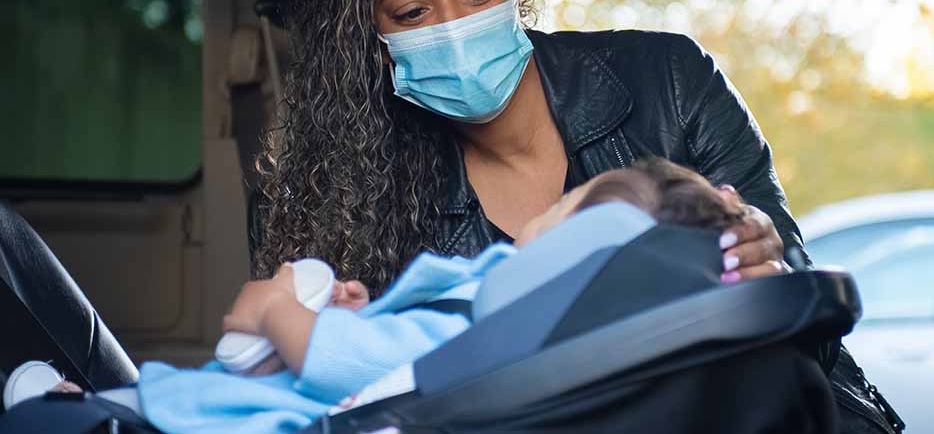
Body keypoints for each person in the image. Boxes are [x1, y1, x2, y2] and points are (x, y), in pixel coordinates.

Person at [249, 0, 901, 433]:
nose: (453, 28)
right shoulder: (363, 191)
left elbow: (806, 329)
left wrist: (771, 275)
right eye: (412, 12)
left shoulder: (671, 80)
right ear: (371, 30)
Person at [2, 159, 759, 434]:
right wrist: (360, 310)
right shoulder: (502, 320)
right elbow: (379, 348)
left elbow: (345, 364)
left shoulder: (496, 342)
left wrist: (278, 311)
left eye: (567, 209)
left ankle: (66, 406)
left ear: (571, 259)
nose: (547, 210)